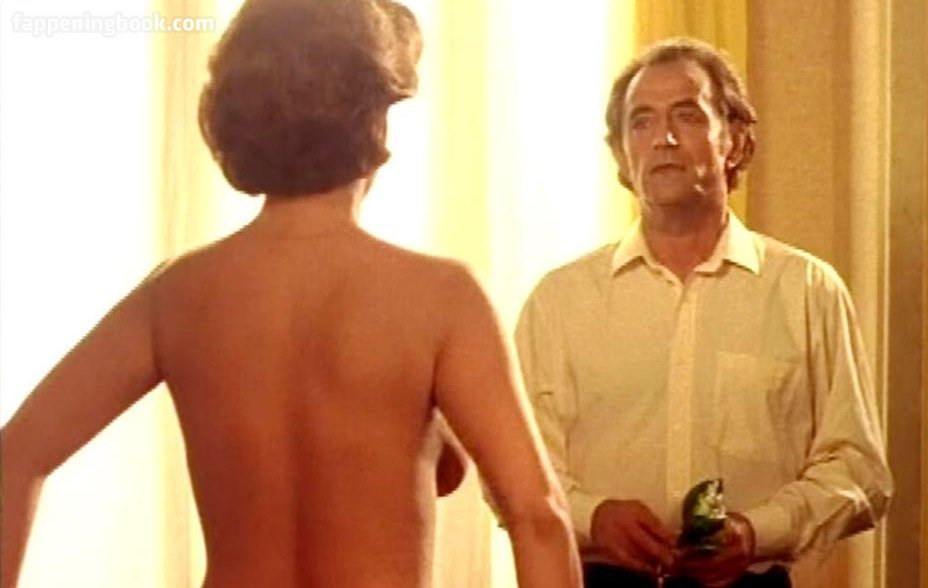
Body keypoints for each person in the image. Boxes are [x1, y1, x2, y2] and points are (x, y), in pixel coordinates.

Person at [0, 1, 583, 587]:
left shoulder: (176, 295)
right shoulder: (440, 297)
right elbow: (538, 515)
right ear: (374, 116)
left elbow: (16, 455)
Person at [514, 37, 892, 588]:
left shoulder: (807, 291)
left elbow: (859, 470)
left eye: (686, 116)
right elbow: (517, 474)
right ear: (621, 154)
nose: (663, 138)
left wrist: (757, 531)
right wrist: (592, 517)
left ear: (734, 140)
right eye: (641, 121)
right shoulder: (559, 303)